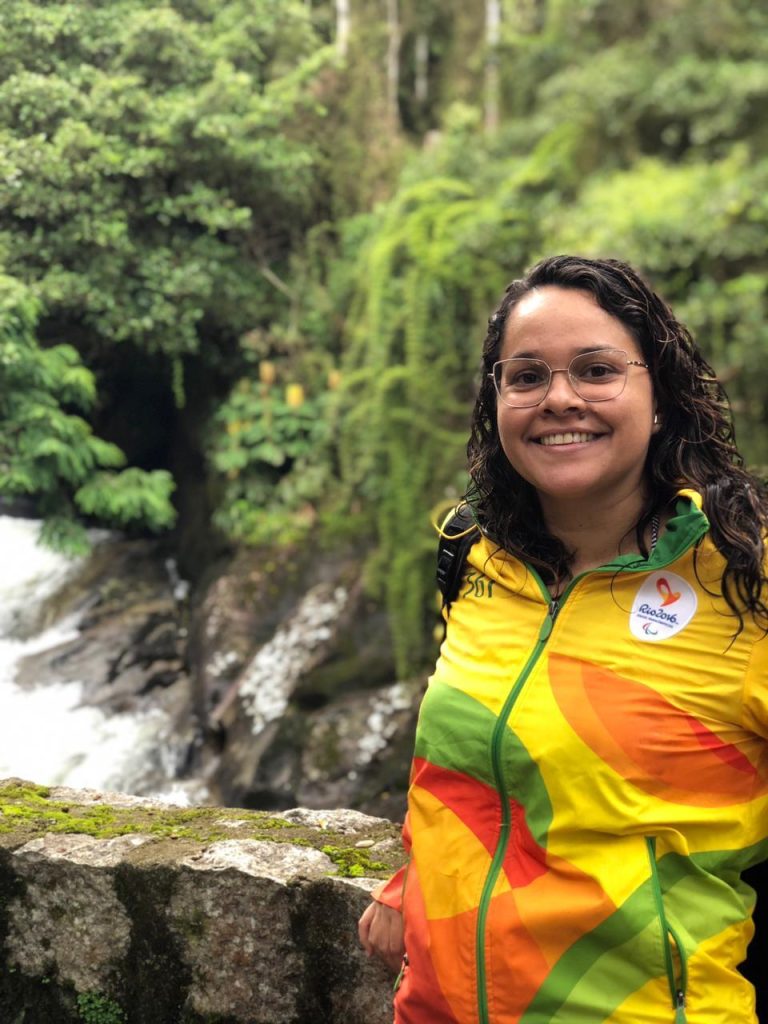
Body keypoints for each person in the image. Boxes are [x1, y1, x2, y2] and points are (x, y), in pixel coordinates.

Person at [358, 255, 768, 1024]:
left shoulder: (743, 577)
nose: (560, 399)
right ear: (496, 400)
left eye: (596, 370)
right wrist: (408, 874)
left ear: (661, 397)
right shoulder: (475, 555)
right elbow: (464, 750)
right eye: (526, 376)